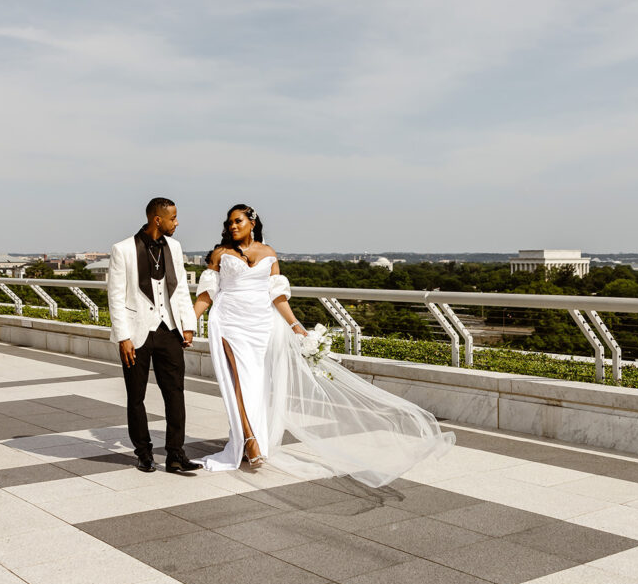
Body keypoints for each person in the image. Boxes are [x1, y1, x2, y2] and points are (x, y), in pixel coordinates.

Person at [192, 204, 454, 487]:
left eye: (238, 221)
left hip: (261, 328)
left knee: (255, 385)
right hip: (230, 323)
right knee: (239, 383)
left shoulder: (269, 254)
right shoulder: (220, 254)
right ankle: (251, 440)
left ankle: (244, 440)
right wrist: (188, 322)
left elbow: (278, 297)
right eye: (229, 222)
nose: (233, 226)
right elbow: (207, 294)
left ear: (252, 223)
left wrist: (296, 326)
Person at [107, 198, 202, 474]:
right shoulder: (122, 249)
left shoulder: (174, 247)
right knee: (136, 396)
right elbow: (115, 296)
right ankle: (144, 453)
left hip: (169, 331)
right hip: (136, 333)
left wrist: (187, 324)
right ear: (157, 219)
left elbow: (180, 288)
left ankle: (175, 454)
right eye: (173, 218)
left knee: (175, 394)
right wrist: (123, 336)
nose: (177, 222)